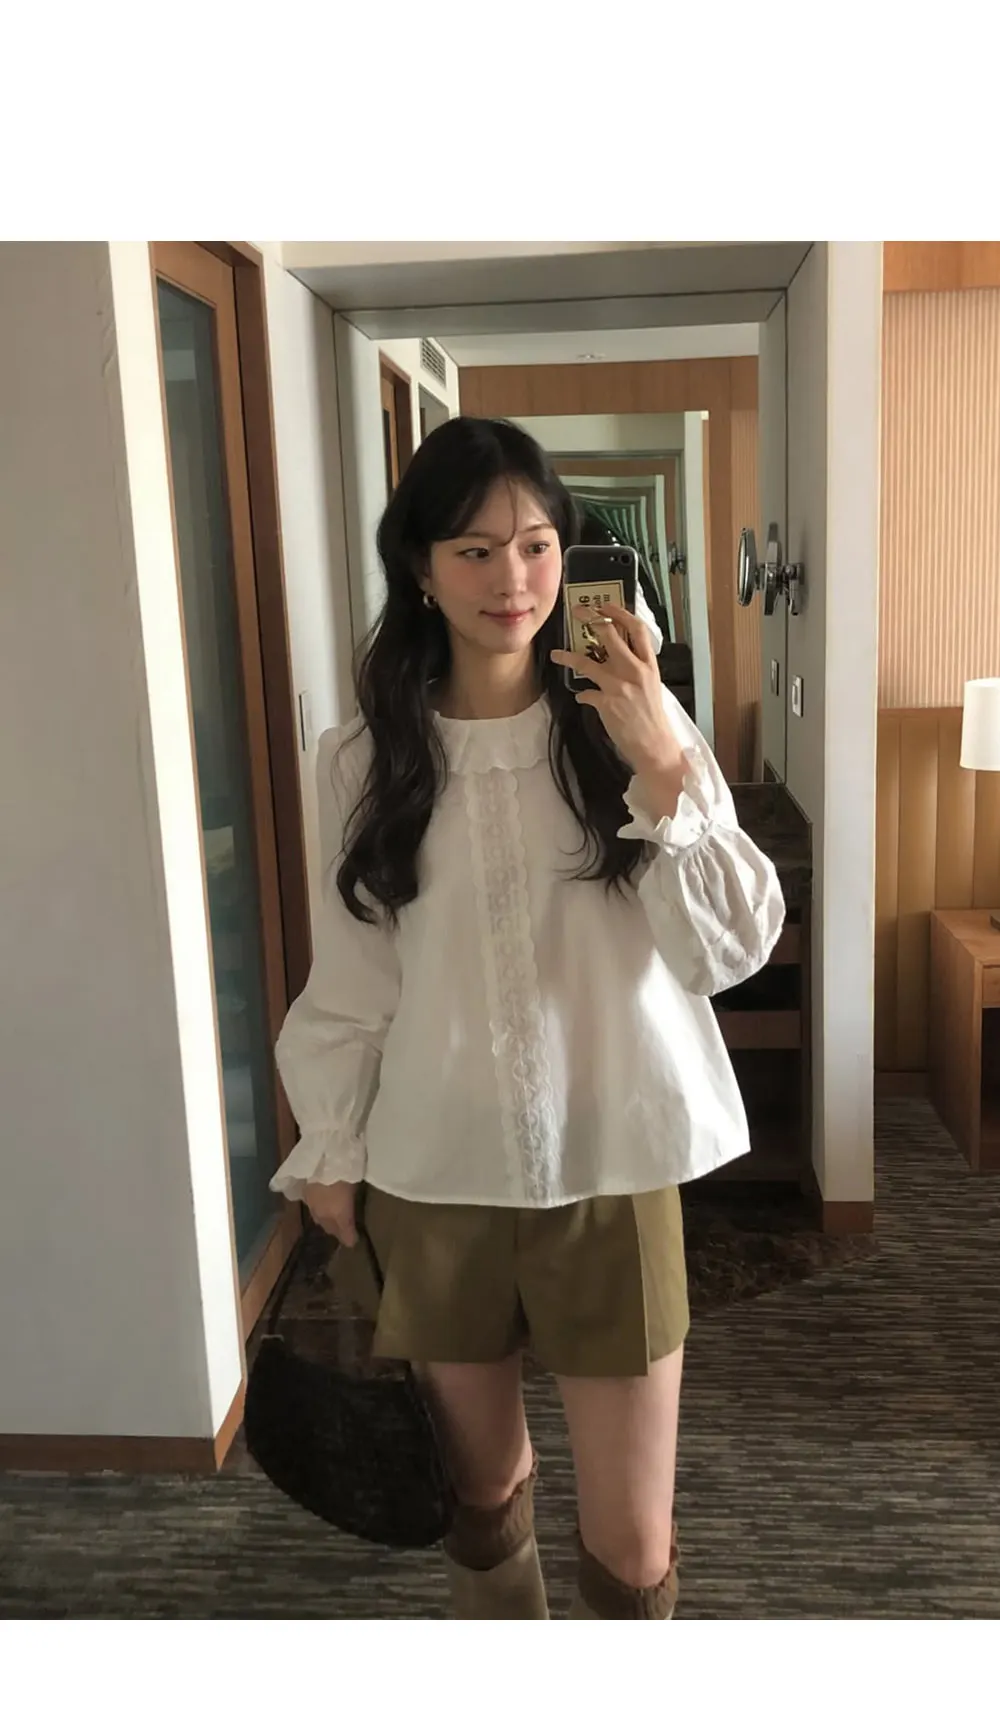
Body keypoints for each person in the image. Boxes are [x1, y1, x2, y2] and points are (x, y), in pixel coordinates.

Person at [270, 416, 785, 1620]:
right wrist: (332, 1147)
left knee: (632, 1541)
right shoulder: (359, 763)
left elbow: (729, 952)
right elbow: (355, 977)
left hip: (614, 1162)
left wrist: (660, 760)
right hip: (435, 1170)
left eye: (538, 545)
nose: (512, 579)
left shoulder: (633, 732)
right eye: (473, 551)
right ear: (419, 568)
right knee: (480, 1497)